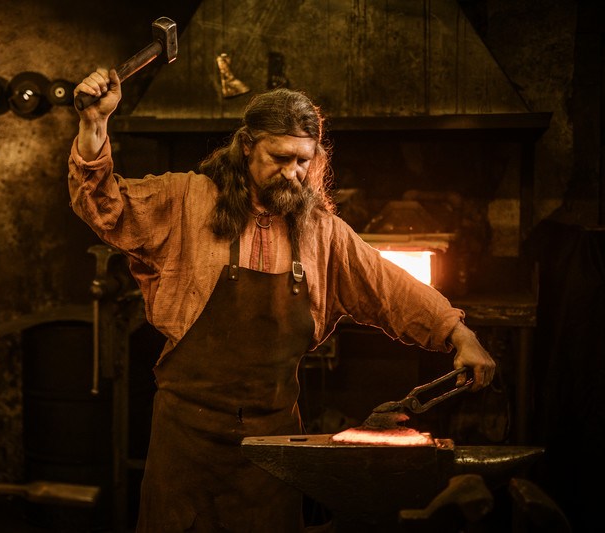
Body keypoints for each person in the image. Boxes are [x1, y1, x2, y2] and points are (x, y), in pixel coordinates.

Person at [68, 68, 497, 533]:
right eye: (280, 156)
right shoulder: (186, 200)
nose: (293, 172)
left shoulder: (319, 232)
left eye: (303, 161)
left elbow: (389, 285)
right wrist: (94, 125)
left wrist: (459, 333)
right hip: (186, 442)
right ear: (247, 145)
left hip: (272, 446)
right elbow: (104, 205)